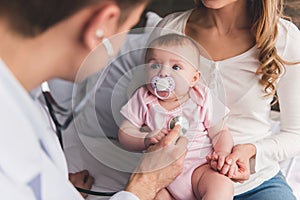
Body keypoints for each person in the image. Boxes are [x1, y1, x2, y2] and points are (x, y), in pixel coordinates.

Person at [0, 0, 189, 199]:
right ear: (101, 26)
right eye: (129, 27)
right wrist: (144, 185)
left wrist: (56, 187)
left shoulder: (31, 99)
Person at [154, 0, 300, 199]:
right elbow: (143, 109)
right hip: (174, 184)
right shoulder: (169, 30)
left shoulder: (284, 38)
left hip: (255, 186)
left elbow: (296, 133)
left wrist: (252, 151)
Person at [118, 34, 234, 200]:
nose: (163, 73)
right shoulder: (143, 98)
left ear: (193, 78)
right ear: (145, 72)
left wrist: (222, 153)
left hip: (199, 169)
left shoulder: (202, 96)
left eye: (176, 67)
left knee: (221, 185)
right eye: (155, 65)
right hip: (159, 175)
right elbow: (125, 132)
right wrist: (144, 138)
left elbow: (220, 131)